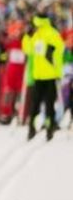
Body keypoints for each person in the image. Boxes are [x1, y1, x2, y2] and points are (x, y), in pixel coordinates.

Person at [22, 11, 65, 141]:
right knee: (47, 104)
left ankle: (37, 127)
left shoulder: (46, 34)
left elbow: (57, 52)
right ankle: (46, 127)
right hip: (45, 75)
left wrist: (28, 37)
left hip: (44, 75)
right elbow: (29, 51)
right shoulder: (48, 33)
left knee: (39, 104)